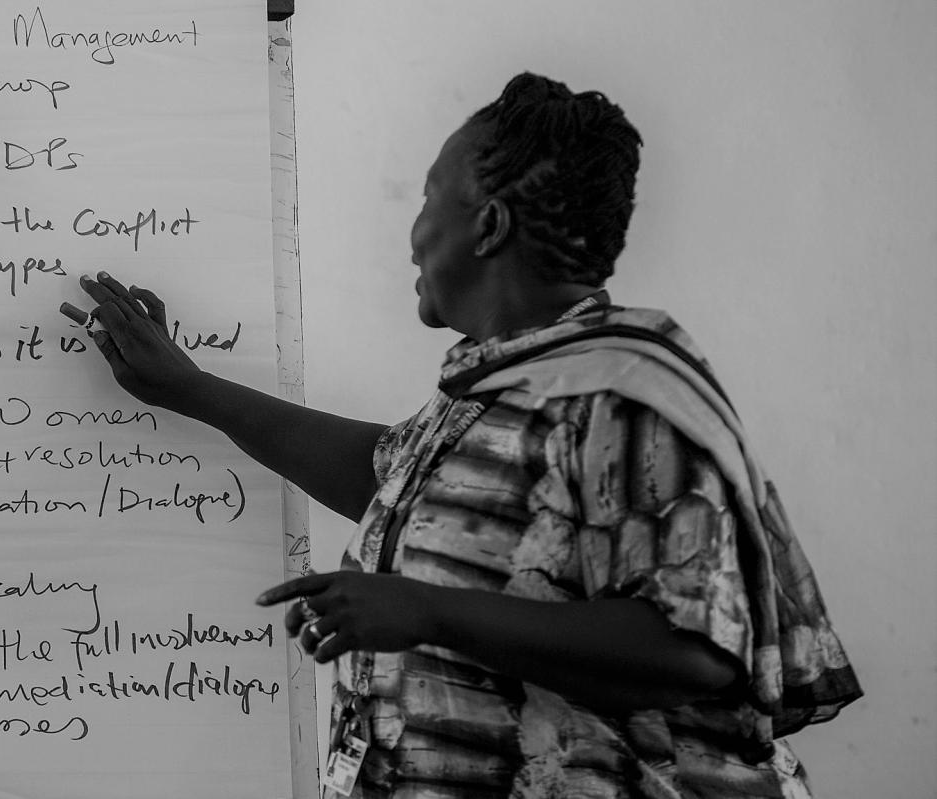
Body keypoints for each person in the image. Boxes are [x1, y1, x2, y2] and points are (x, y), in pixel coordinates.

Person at [72, 73, 860, 798]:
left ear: (487, 225)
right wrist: (190, 388)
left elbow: (689, 648)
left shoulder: (623, 398)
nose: (413, 235)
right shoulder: (504, 390)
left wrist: (427, 610)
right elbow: (382, 477)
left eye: (426, 201)